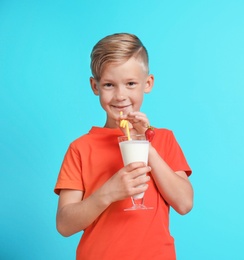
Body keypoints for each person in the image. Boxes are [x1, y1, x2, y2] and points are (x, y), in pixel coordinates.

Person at [54, 33, 193, 260]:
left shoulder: (163, 139)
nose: (120, 95)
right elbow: (64, 224)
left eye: (130, 84)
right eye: (109, 84)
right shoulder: (80, 148)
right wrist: (108, 193)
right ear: (95, 86)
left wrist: (145, 144)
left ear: (147, 84)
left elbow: (184, 203)